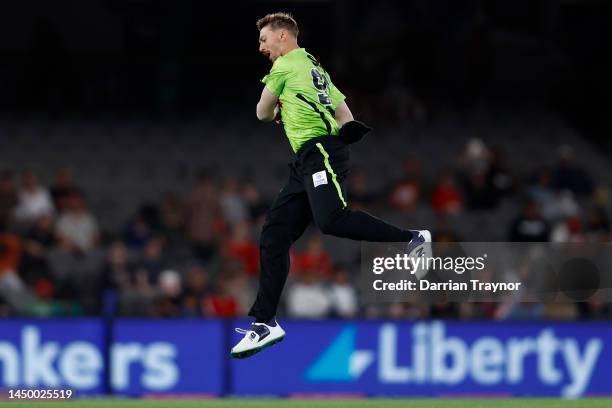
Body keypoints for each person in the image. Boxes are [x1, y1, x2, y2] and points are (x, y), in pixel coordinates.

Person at [231, 12, 431, 358]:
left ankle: (412, 239)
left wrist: (279, 110)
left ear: (282, 36)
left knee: (331, 219)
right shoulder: (315, 68)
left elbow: (262, 112)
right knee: (274, 235)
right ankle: (264, 323)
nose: (261, 47)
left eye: (264, 39)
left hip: (319, 151)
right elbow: (345, 115)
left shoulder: (284, 66)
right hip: (308, 159)